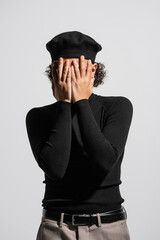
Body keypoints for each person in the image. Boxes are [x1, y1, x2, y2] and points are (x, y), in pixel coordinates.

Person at [25, 31, 133, 240]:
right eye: (63, 69)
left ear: (93, 69)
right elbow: (55, 168)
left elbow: (104, 162)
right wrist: (65, 103)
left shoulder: (117, 107)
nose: (71, 75)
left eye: (78, 68)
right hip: (56, 228)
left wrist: (82, 101)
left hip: (108, 227)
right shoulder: (38, 116)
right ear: (54, 72)